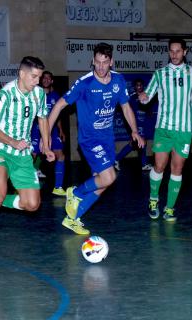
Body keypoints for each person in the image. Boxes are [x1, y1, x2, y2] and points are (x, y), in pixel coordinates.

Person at [48, 43, 144, 235]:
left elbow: (125, 107)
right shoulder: (84, 83)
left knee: (102, 183)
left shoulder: (118, 80)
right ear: (92, 61)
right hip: (90, 140)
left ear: (111, 62)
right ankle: (74, 193)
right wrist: (46, 136)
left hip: (107, 139)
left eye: (104, 62)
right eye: (97, 62)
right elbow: (58, 106)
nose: (100, 67)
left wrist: (134, 131)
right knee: (110, 177)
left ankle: (72, 218)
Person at [0, 56, 55, 263]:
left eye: (40, 77)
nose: (37, 81)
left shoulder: (38, 94)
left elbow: (43, 118)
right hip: (0, 151)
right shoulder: (5, 95)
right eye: (34, 77)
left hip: (23, 156)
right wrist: (13, 141)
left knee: (32, 204)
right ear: (22, 73)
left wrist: (47, 146)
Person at [139, 38, 192, 222]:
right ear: (168, 52)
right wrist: (143, 97)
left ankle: (170, 207)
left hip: (184, 131)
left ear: (185, 52)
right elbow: (147, 95)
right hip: (164, 129)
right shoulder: (160, 74)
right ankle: (153, 200)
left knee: (177, 168)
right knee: (159, 166)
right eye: (171, 51)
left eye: (178, 51)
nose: (174, 54)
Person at [30, 71, 67, 195]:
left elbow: (58, 115)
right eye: (44, 78)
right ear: (41, 80)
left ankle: (58, 187)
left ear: (51, 81)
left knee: (61, 156)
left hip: (52, 131)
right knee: (31, 156)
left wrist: (61, 130)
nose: (45, 80)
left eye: (48, 78)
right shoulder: (35, 94)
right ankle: (21, 185)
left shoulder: (56, 96)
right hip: (36, 130)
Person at [114, 78, 153, 172]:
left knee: (136, 144)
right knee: (138, 143)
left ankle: (116, 159)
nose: (139, 87)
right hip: (135, 125)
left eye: (140, 85)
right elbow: (124, 108)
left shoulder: (147, 96)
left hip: (143, 124)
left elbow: (149, 111)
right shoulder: (131, 97)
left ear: (143, 86)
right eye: (137, 85)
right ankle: (143, 164)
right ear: (134, 87)